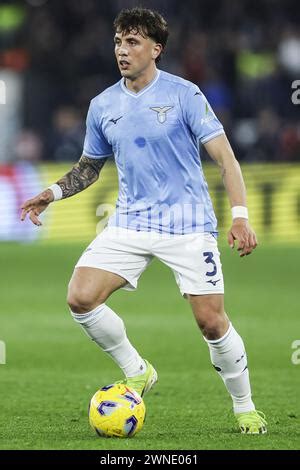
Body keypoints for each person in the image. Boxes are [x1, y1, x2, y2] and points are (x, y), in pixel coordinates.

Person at [21, 7, 267, 434]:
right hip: (131, 222)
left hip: (188, 223)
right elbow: (89, 166)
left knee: (211, 321)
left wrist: (241, 216)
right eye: (118, 41)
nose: (122, 50)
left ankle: (244, 406)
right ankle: (138, 370)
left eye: (133, 42)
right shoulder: (103, 105)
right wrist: (53, 193)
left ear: (156, 49)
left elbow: (225, 157)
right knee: (80, 297)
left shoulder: (185, 94)